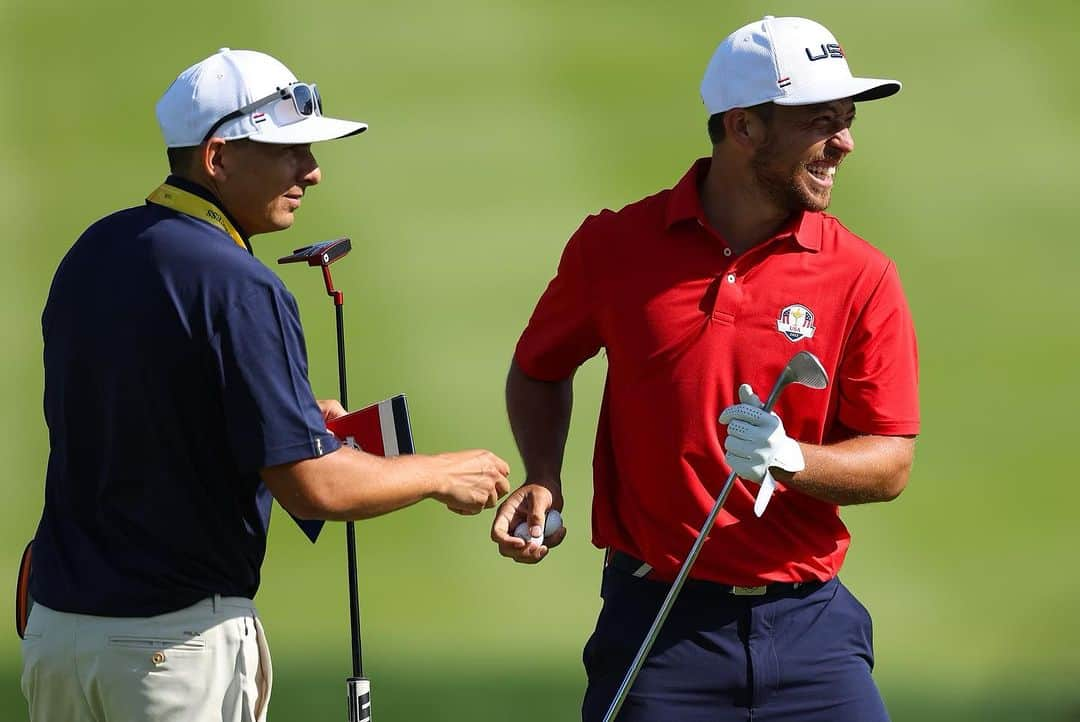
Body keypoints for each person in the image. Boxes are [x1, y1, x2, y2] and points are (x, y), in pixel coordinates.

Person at [20, 48, 511, 722]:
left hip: (57, 636)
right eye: (288, 152)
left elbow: (145, 407)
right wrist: (442, 472)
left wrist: (283, 412)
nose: (311, 171)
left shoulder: (96, 248)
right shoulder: (239, 283)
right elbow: (314, 486)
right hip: (170, 652)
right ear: (218, 159)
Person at [490, 15, 919, 722]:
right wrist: (542, 476)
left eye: (845, 120)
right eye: (820, 122)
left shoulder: (862, 275)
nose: (843, 142)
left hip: (813, 636)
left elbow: (890, 461)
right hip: (661, 632)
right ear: (744, 127)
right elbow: (539, 367)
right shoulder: (615, 247)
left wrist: (788, 459)